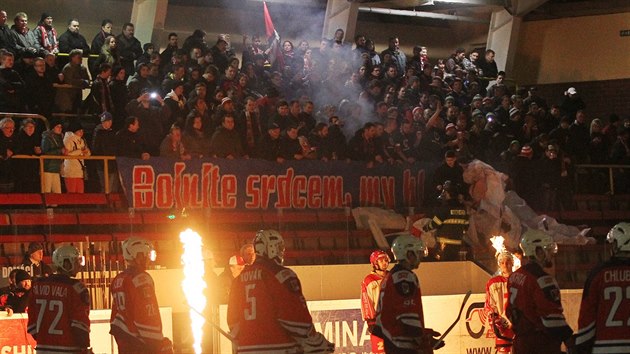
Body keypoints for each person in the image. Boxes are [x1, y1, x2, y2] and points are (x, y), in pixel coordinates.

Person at [227, 229, 334, 353]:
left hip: (246, 349)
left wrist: (244, 341)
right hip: (278, 347)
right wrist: (314, 341)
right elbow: (294, 317)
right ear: (270, 248)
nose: (281, 251)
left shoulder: (239, 279)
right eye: (278, 247)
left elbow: (233, 321)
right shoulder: (281, 275)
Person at [373, 234, 443, 353]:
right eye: (418, 253)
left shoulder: (391, 275)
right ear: (409, 254)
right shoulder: (405, 277)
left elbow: (389, 317)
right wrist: (422, 340)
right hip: (402, 345)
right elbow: (407, 314)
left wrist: (424, 333)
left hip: (393, 343)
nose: (420, 257)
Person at [506, 229, 573, 354]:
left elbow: (509, 311)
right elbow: (553, 317)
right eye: (547, 249)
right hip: (540, 343)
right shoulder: (542, 279)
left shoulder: (513, 276)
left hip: (520, 343)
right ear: (538, 251)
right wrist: (569, 339)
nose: (551, 254)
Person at [573, 222, 630, 353]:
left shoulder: (598, 273)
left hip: (603, 348)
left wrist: (581, 347)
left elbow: (587, 316)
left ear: (617, 244)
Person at [110, 237, 174, 353]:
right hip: (140, 344)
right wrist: (158, 344)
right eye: (145, 255)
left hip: (125, 342)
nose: (148, 259)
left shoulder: (117, 279)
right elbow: (147, 314)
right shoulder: (142, 278)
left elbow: (115, 317)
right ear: (137, 255)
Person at [27, 245, 91, 353]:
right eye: (76, 262)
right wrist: (84, 348)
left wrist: (46, 340)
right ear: (66, 263)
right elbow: (80, 326)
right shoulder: (76, 288)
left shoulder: (37, 285)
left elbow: (32, 325)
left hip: (43, 349)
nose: (79, 266)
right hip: (69, 349)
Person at [422, 180, 470, 261]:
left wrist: (426, 228)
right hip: (457, 243)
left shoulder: (445, 208)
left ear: (448, 194)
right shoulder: (463, 209)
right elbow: (466, 226)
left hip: (444, 244)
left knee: (444, 264)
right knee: (454, 264)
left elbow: (435, 223)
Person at [484, 251, 515, 353]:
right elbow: (489, 305)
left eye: (508, 262)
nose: (505, 264)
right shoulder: (492, 283)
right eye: (502, 262)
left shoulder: (520, 280)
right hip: (502, 327)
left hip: (519, 326)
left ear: (513, 263)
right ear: (499, 264)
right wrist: (495, 322)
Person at [361, 250, 390, 354]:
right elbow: (366, 301)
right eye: (381, 261)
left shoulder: (392, 276)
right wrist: (371, 321)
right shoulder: (369, 280)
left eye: (386, 260)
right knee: (380, 351)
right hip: (378, 323)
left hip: (393, 321)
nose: (385, 263)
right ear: (374, 263)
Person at [63, 121, 90, 193]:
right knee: (72, 193)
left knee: (80, 193)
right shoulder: (68, 139)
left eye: (82, 130)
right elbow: (67, 154)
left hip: (79, 170)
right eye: (79, 130)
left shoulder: (82, 140)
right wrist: (81, 151)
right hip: (71, 170)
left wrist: (86, 152)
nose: (81, 132)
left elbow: (87, 153)